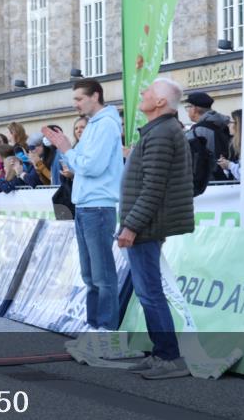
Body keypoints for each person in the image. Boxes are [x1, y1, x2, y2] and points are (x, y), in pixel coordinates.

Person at [117, 78, 195, 379]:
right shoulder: (158, 131)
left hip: (147, 225)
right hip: (146, 224)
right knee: (147, 290)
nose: (143, 94)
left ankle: (169, 357)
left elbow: (153, 188)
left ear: (161, 102)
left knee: (150, 292)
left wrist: (131, 226)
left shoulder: (162, 133)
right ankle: (161, 353)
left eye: (148, 92)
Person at [43, 78, 124, 330]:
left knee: (102, 277)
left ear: (95, 96)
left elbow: (91, 166)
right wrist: (70, 152)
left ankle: (106, 334)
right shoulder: (95, 125)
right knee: (90, 277)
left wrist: (67, 148)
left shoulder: (106, 124)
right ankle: (95, 331)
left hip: (98, 207)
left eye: (79, 99)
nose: (75, 104)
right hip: (87, 206)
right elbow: (86, 165)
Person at [184, 91, 232, 186]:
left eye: (188, 107)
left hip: (207, 183)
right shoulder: (223, 125)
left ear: (195, 109)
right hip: (225, 179)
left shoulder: (198, 131)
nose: (188, 110)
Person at [217, 108, 242, 181]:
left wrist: (229, 165)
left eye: (231, 122)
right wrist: (226, 166)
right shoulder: (235, 144)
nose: (228, 125)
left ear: (238, 124)